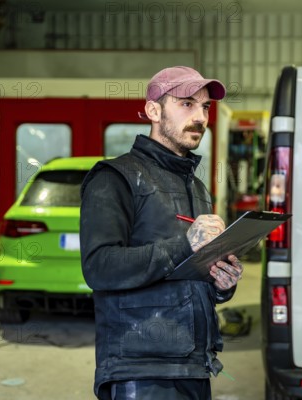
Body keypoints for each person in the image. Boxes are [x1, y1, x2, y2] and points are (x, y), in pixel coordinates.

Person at [80, 66, 244, 400]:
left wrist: (222, 283)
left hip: (194, 362)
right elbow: (99, 266)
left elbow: (193, 273)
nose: (200, 116)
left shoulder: (197, 188)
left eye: (205, 107)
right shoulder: (116, 178)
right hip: (140, 368)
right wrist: (186, 244)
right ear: (154, 111)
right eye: (187, 104)